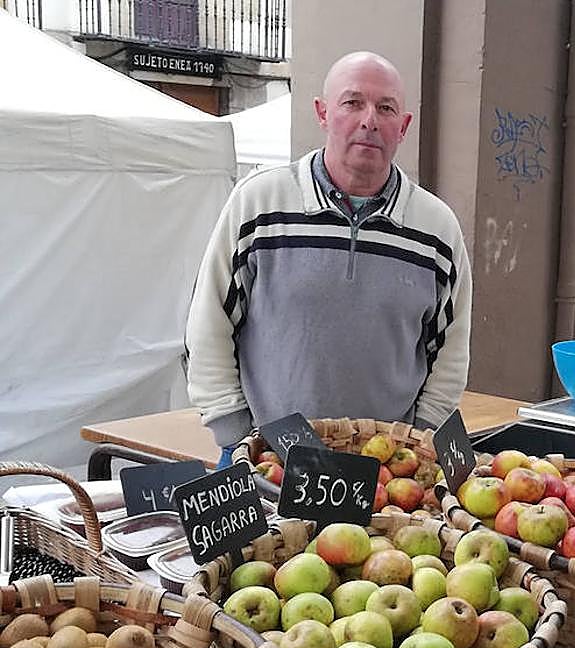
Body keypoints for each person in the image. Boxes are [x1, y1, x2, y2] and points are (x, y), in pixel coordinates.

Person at [185, 52, 473, 467]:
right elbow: (209, 321)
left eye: (385, 108)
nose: (369, 120)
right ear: (322, 113)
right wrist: (234, 430)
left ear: (403, 127)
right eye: (352, 103)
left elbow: (450, 349)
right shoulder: (258, 204)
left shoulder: (436, 229)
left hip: (386, 470)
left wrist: (419, 436)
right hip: (268, 458)